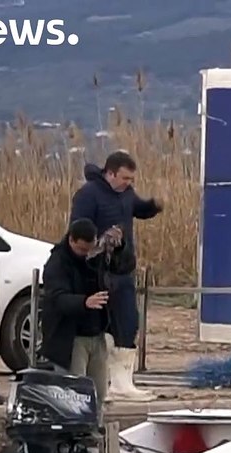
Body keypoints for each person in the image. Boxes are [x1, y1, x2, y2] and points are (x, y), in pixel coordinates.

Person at [68, 150, 163, 402]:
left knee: (128, 322)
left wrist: (153, 206)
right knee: (101, 326)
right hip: (98, 272)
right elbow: (77, 230)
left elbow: (137, 209)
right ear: (110, 173)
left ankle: (123, 382)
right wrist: (100, 244)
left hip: (123, 270)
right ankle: (101, 383)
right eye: (125, 178)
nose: (128, 184)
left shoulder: (127, 194)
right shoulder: (88, 195)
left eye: (132, 179)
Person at [39, 218, 113, 406]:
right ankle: (74, 433)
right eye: (81, 250)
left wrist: (120, 247)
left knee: (99, 393)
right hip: (70, 339)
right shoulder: (57, 264)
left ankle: (95, 430)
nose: (85, 255)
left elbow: (123, 267)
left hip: (97, 335)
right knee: (73, 395)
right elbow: (57, 299)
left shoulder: (96, 257)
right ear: (71, 240)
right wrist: (84, 302)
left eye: (89, 249)